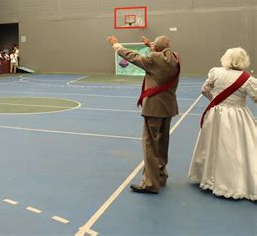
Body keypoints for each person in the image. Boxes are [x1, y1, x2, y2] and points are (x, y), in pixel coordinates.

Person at [107, 35, 180, 194]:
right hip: (168, 107)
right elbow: (159, 55)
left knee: (150, 144)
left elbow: (132, 57)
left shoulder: (153, 59)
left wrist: (116, 45)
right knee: (162, 143)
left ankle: (150, 183)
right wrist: (151, 45)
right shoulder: (174, 58)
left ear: (157, 49)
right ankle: (161, 176)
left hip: (154, 108)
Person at [188, 48, 256, 201]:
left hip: (216, 114)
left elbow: (205, 89)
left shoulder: (216, 72)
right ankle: (233, 182)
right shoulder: (247, 79)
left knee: (212, 145)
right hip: (238, 116)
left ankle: (209, 178)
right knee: (235, 148)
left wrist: (216, 100)